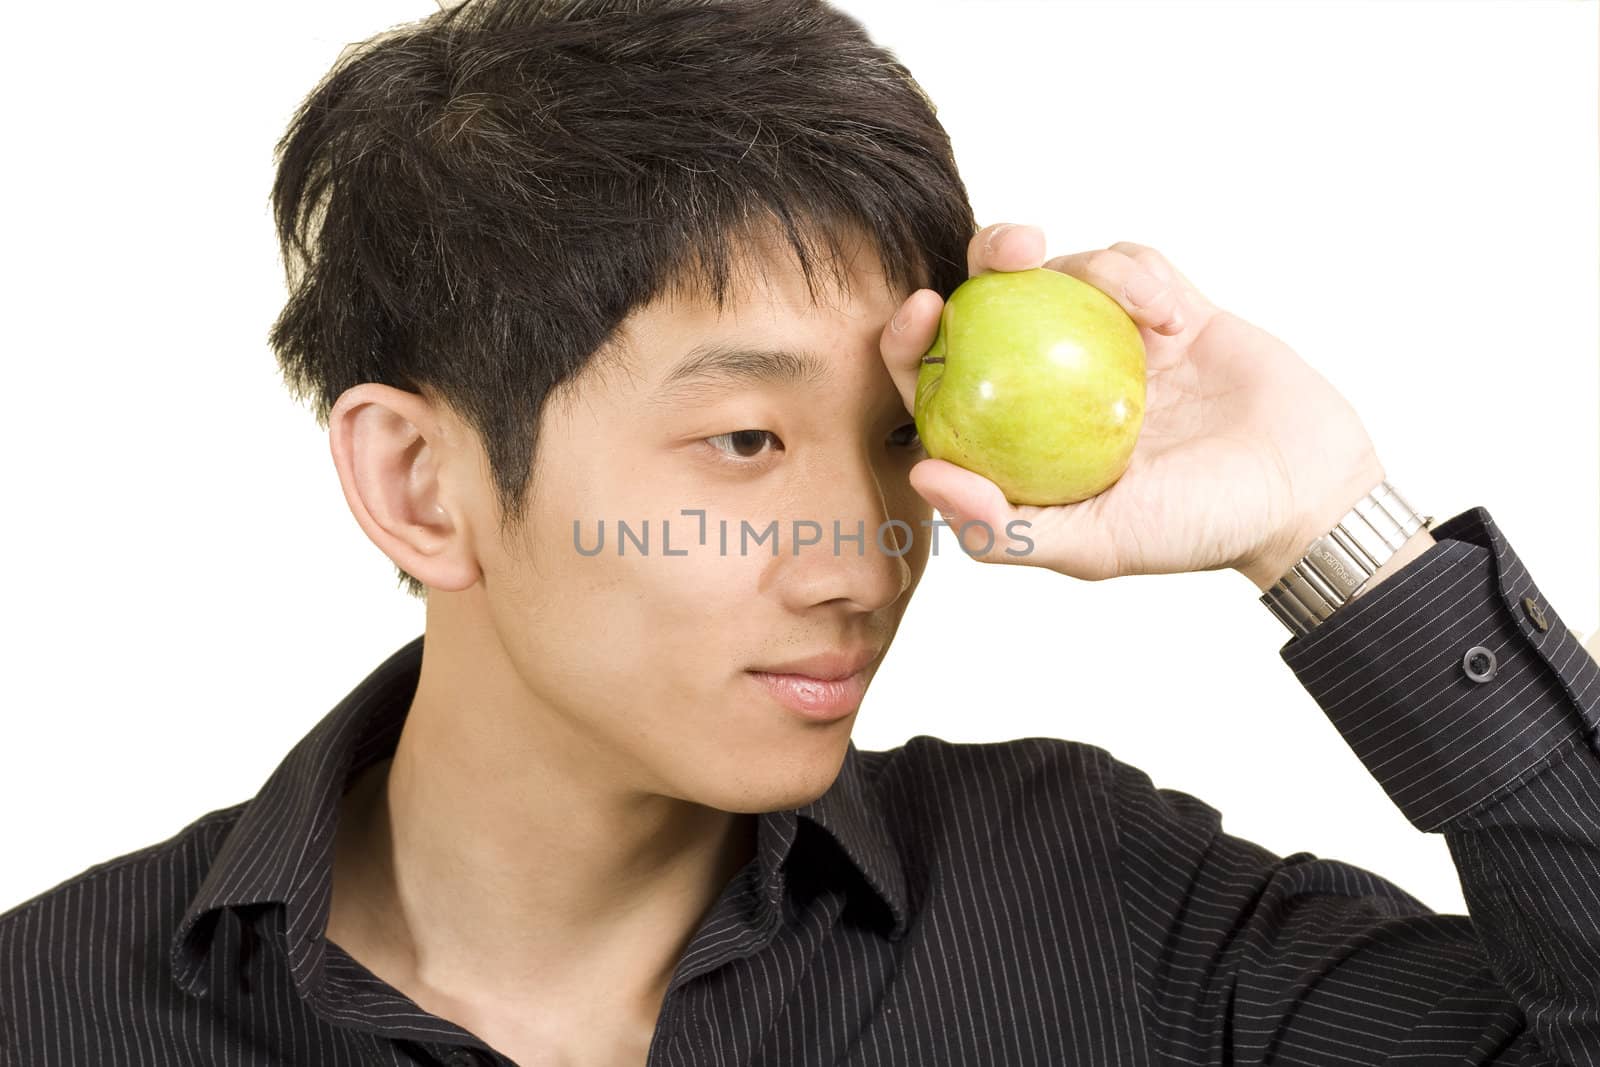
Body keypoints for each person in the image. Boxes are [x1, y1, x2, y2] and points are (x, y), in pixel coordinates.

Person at [3, 0, 1597, 1064]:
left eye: (901, 439)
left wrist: (1332, 531)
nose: (863, 556)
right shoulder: (59, 1010)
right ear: (422, 484)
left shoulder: (1090, 899)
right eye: (747, 441)